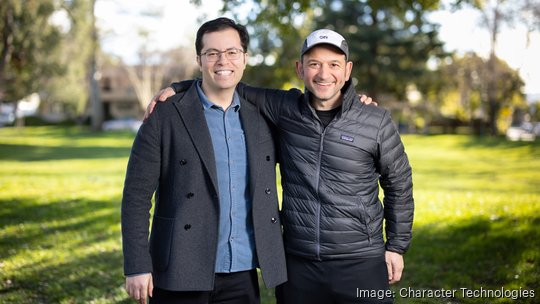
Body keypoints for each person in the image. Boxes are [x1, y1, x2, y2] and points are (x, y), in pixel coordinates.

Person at [150, 29, 414, 303]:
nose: (324, 74)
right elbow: (226, 82)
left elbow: (399, 186)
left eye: (334, 64)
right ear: (300, 69)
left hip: (361, 259)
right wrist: (180, 88)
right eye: (314, 64)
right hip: (298, 264)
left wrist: (395, 246)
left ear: (347, 70)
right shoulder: (284, 108)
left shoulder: (376, 120)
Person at [121, 17, 287, 304]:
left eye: (232, 52)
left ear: (245, 58)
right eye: (212, 53)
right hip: (179, 268)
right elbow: (136, 196)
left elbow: (316, 108)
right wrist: (137, 265)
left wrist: (354, 100)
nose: (223, 60)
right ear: (199, 59)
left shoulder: (262, 119)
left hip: (242, 269)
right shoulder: (166, 116)